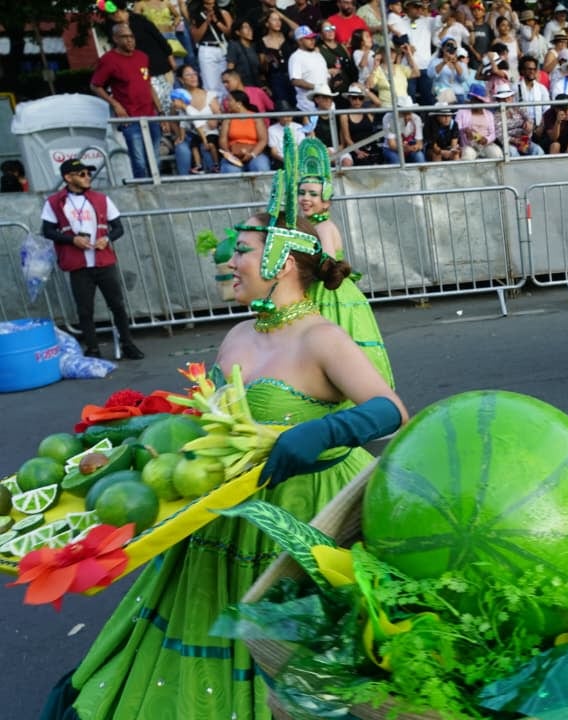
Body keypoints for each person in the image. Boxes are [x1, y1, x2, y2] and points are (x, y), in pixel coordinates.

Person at [43, 139, 407, 719]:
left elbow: (392, 412)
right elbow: (202, 422)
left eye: (242, 251)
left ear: (281, 262)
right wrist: (126, 443)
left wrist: (321, 435)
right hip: (223, 510)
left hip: (303, 517)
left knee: (295, 652)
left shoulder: (321, 339)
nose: (228, 261)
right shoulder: (237, 335)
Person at [296, 137, 396, 385]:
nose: (305, 198)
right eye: (301, 193)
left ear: (326, 202)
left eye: (313, 194)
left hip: (330, 294)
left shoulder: (323, 226)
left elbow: (326, 264)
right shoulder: (313, 225)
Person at [40, 159, 145, 361]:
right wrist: (73, 240)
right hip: (78, 263)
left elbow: (118, 228)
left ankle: (128, 344)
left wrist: (107, 239)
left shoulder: (101, 199)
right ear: (68, 178)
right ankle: (92, 348)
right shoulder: (54, 202)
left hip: (103, 261)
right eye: (82, 174)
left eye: (88, 173)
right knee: (85, 309)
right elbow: (48, 230)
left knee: (117, 305)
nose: (87, 177)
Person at [90, 23, 163, 180]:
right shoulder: (109, 60)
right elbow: (95, 86)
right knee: (140, 162)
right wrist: (116, 104)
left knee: (155, 159)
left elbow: (148, 84)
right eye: (124, 37)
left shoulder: (142, 57)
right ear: (115, 39)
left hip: (151, 115)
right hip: (130, 117)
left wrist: (161, 112)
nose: (130, 40)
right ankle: (143, 194)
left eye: (131, 36)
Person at [217, 90, 271, 173]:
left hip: (255, 153)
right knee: (231, 170)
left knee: (260, 166)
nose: (226, 103)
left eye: (229, 100)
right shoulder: (228, 119)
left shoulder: (256, 117)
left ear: (239, 103)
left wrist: (252, 154)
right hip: (233, 153)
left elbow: (263, 140)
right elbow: (223, 139)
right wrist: (229, 155)